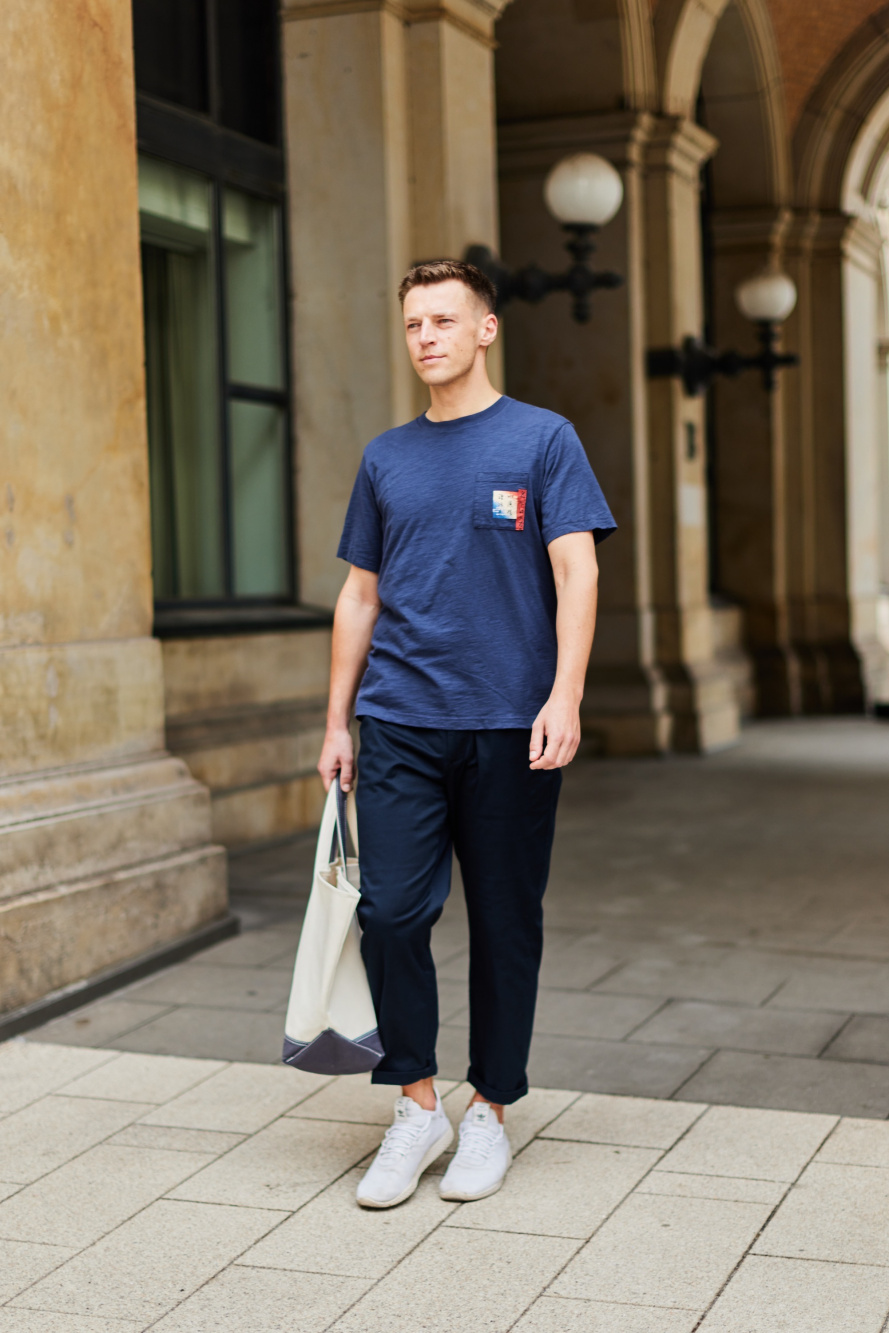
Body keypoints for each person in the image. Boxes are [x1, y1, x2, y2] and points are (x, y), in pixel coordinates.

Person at [317, 258, 615, 1210]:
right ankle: (416, 1102)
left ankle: (489, 1106)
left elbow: (577, 574)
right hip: (399, 719)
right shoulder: (385, 457)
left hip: (508, 724)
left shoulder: (544, 440)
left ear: (485, 328)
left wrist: (564, 694)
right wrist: (336, 720)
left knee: (504, 919)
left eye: (444, 320)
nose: (426, 338)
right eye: (412, 324)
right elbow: (359, 594)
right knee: (391, 912)